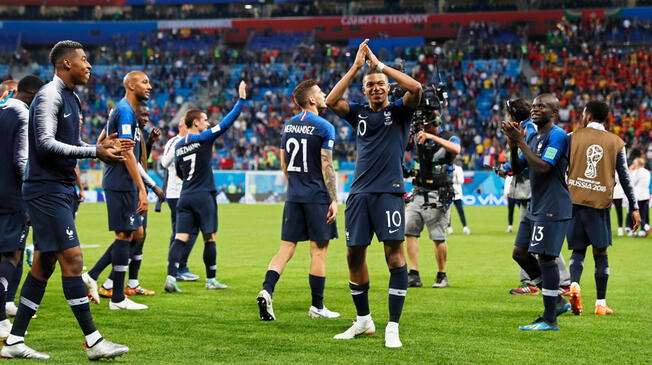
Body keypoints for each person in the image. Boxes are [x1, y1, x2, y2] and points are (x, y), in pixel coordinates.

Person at [1, 40, 130, 360]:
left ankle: (15, 341)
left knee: (42, 268)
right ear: (65, 64)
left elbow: (68, 142)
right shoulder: (49, 95)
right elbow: (44, 144)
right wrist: (93, 152)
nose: (89, 66)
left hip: (57, 189)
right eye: (84, 60)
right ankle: (94, 341)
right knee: (72, 260)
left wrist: (101, 149)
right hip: (44, 190)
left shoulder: (72, 98)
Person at [326, 39, 422, 348]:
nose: (377, 87)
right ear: (365, 90)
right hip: (359, 195)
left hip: (389, 193)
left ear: (387, 86)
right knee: (354, 254)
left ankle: (392, 326)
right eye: (372, 85)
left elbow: (416, 88)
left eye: (381, 84)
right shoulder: (357, 114)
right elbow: (330, 101)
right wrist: (356, 68)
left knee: (394, 255)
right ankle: (364, 320)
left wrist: (380, 66)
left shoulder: (400, 111)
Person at [257, 79, 339, 321]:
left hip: (293, 197)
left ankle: (266, 289)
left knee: (286, 248)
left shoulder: (288, 126)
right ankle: (317, 307)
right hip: (316, 197)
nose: (325, 95)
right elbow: (327, 165)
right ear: (311, 100)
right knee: (318, 251)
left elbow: (283, 164)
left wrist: (295, 186)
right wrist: (333, 198)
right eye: (320, 92)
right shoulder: (324, 127)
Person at [165, 81, 247, 293]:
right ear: (195, 123)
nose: (208, 123)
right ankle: (211, 280)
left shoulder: (179, 146)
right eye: (204, 120)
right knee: (209, 237)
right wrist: (241, 101)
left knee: (180, 237)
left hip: (185, 197)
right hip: (203, 195)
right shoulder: (204, 138)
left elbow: (181, 174)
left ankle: (171, 277)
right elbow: (227, 123)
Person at [82, 71, 152, 311]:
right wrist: (143, 190)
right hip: (120, 181)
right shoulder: (124, 110)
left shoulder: (122, 111)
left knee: (133, 233)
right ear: (131, 85)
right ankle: (118, 298)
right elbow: (127, 153)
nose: (149, 86)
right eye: (144, 82)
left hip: (123, 181)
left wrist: (103, 145)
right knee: (124, 235)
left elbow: (102, 139)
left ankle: (97, 278)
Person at [502, 93, 572, 331]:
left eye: (541, 106)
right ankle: (558, 301)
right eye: (533, 106)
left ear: (554, 113)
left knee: (547, 258)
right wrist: (513, 145)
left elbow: (543, 167)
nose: (534, 109)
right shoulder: (532, 137)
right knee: (520, 253)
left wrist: (520, 142)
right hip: (536, 205)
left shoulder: (557, 136)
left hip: (553, 206)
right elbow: (518, 167)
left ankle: (550, 318)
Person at [565, 100, 641, 316]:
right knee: (600, 253)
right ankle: (600, 303)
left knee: (578, 251)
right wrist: (634, 207)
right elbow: (625, 177)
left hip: (575, 202)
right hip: (599, 205)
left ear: (588, 116)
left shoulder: (572, 137)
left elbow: (560, 168)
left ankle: (574, 285)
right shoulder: (616, 142)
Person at [0, 75, 44, 337]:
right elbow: (21, 162)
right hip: (12, 197)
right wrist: (29, 195)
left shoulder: (1, 110)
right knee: (11, 257)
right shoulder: (24, 117)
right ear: (33, 95)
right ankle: (1, 320)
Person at [405, 114, 461, 289]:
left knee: (438, 236)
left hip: (438, 192)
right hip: (418, 191)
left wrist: (431, 137)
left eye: (427, 124)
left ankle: (441, 274)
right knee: (409, 232)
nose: (423, 126)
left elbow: (456, 149)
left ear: (436, 123)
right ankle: (414, 274)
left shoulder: (449, 136)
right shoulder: (417, 137)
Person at [161, 118, 200, 282]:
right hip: (176, 193)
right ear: (180, 127)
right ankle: (176, 268)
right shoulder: (175, 142)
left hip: (190, 192)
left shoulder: (195, 142)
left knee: (192, 230)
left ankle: (180, 266)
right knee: (179, 231)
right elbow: (164, 163)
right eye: (187, 126)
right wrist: (180, 146)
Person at [447, 162, 470, 235]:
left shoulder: (458, 169)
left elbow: (461, 181)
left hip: (457, 194)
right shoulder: (445, 168)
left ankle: (465, 227)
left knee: (460, 211)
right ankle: (449, 228)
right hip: (448, 193)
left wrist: (454, 178)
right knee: (447, 212)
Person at [629, 158, 650, 237]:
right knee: (643, 213)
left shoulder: (637, 172)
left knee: (634, 213)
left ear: (638, 164)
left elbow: (632, 182)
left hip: (637, 195)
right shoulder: (647, 172)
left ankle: (645, 226)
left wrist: (630, 171)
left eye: (634, 163)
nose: (633, 164)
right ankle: (642, 231)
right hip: (645, 194)